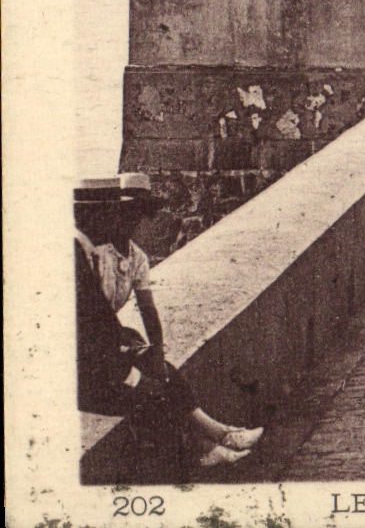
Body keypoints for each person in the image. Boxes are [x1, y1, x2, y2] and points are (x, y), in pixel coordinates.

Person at [75, 176, 263, 471]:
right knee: (149, 391)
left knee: (163, 372)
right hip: (96, 356)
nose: (131, 222)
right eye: (126, 214)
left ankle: (220, 437)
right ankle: (210, 445)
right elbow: (93, 319)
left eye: (138, 215)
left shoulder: (136, 256)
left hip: (109, 344)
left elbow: (147, 310)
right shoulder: (97, 254)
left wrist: (157, 351)